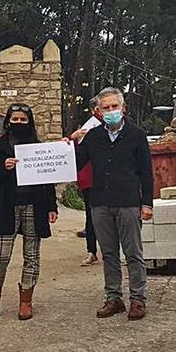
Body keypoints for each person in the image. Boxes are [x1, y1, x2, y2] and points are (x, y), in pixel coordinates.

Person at [76, 87, 155, 321]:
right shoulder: (92, 137)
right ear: (98, 112)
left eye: (114, 106)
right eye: (106, 108)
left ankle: (138, 299)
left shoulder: (136, 135)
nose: (110, 111)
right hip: (100, 203)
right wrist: (69, 143)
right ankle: (114, 298)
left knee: (133, 253)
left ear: (123, 108)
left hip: (128, 202)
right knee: (108, 253)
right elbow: (75, 163)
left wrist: (146, 203)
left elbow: (146, 173)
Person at [0, 104, 58, 321]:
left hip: (34, 206)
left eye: (23, 120)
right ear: (8, 121)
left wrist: (52, 207)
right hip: (7, 205)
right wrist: (4, 168)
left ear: (30, 122)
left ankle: (26, 300)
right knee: (1, 256)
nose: (18, 123)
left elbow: (48, 180)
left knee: (32, 255)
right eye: (14, 119)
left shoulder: (38, 147)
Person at [71, 97, 103, 266]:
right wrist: (71, 140)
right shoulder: (88, 129)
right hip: (89, 178)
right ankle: (92, 251)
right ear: (94, 111)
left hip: (107, 178)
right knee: (92, 215)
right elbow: (78, 154)